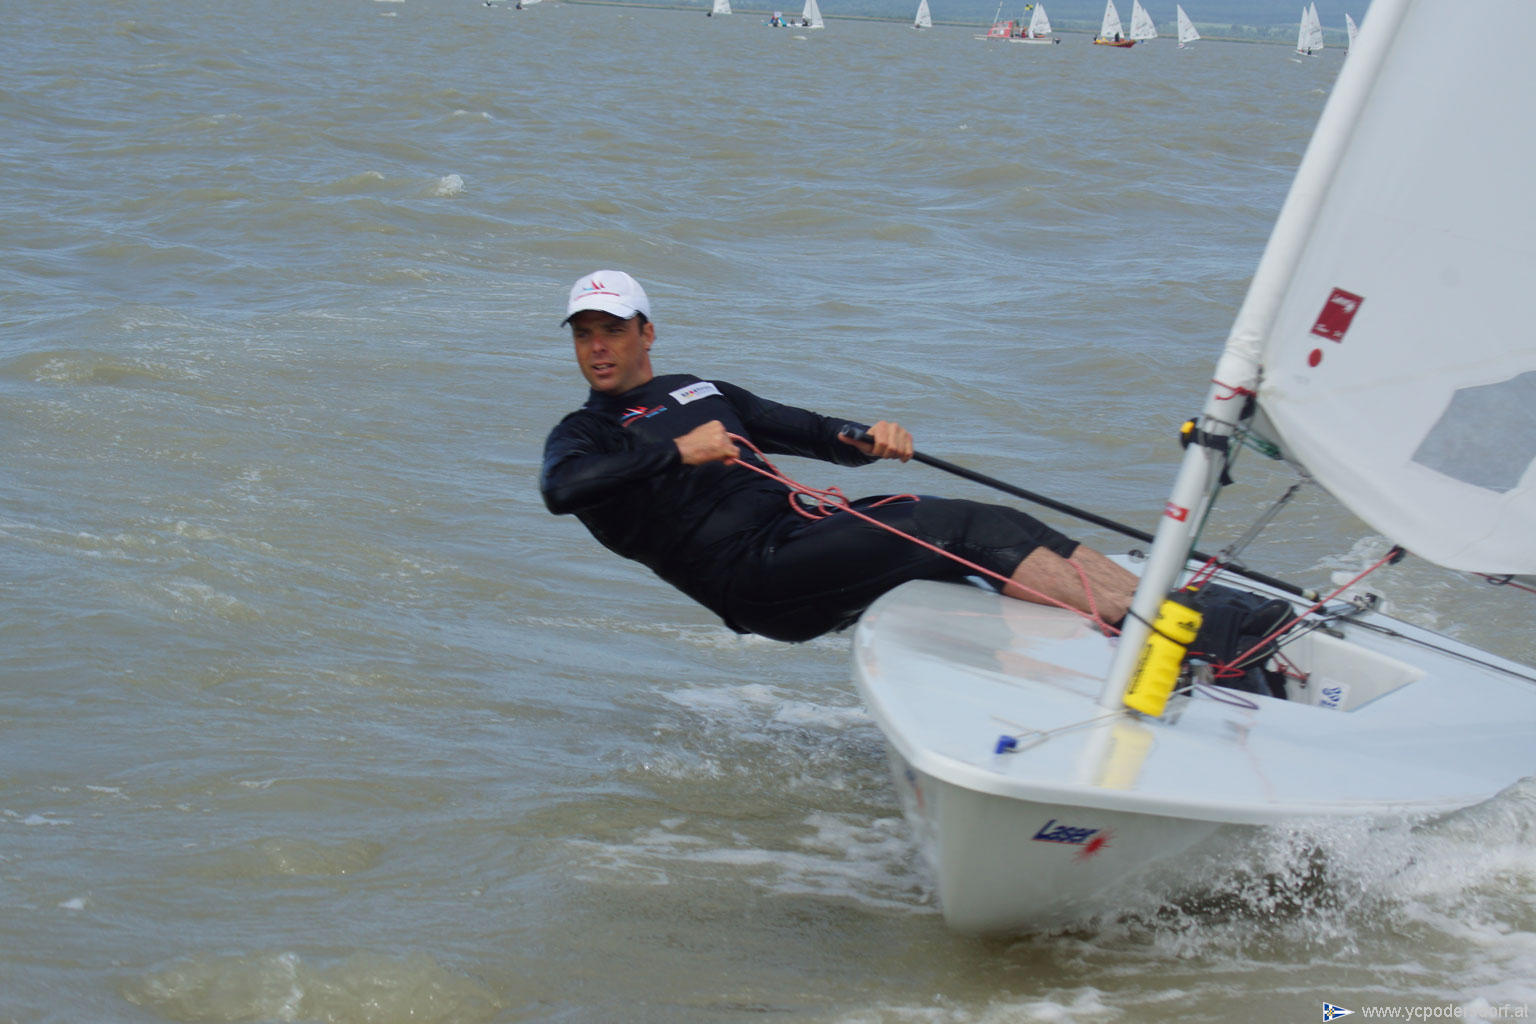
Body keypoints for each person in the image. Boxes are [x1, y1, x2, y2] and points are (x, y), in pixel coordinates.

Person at [540, 270, 1138, 644]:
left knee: (1002, 522)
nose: (597, 347)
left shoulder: (698, 390)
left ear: (646, 334)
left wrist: (864, 438)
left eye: (612, 329)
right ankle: (1151, 635)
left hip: (805, 533)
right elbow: (560, 489)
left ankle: (1152, 605)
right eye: (583, 333)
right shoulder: (587, 431)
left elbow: (810, 431)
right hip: (752, 578)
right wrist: (677, 452)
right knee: (954, 528)